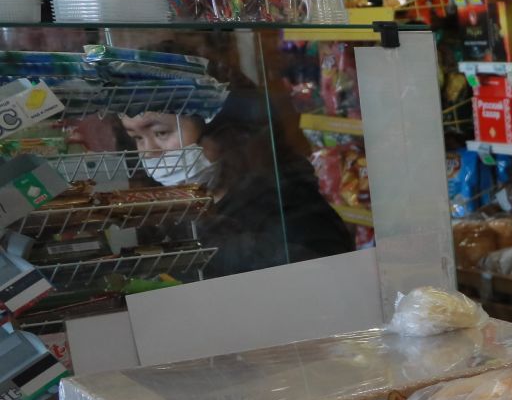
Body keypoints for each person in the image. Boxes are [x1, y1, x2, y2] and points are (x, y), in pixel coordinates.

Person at [112, 37, 354, 277]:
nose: (149, 152)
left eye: (160, 132)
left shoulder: (284, 206)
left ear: (218, 127)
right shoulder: (175, 209)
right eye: (137, 138)